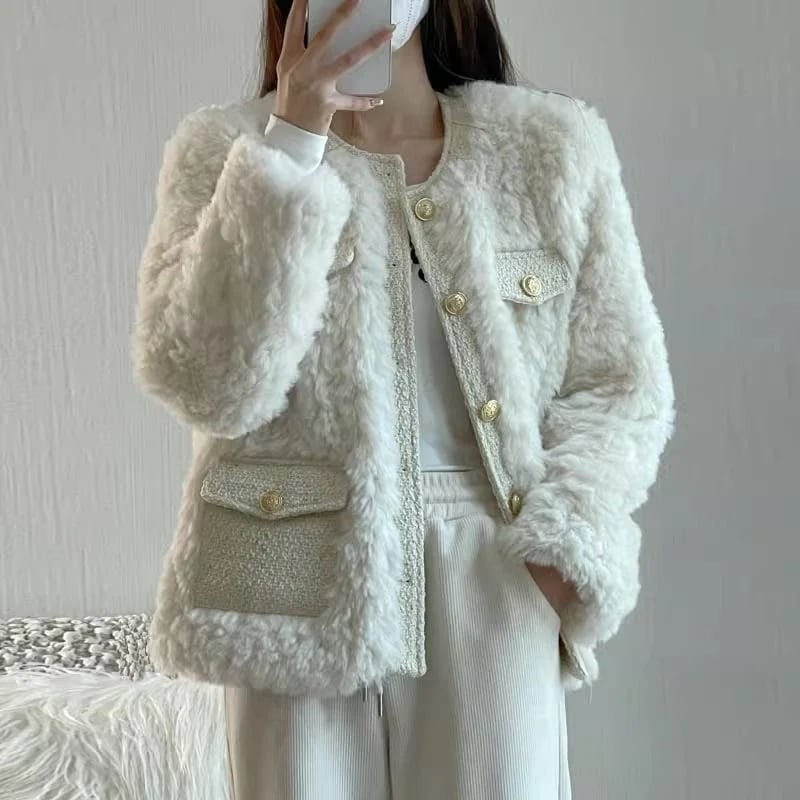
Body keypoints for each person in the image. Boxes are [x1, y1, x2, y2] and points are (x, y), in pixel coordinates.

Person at [131, 0, 676, 797]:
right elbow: (207, 386)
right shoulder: (226, 150)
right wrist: (292, 146)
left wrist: (563, 550)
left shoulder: (549, 148)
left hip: (495, 570)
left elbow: (621, 380)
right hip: (289, 584)